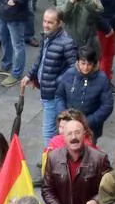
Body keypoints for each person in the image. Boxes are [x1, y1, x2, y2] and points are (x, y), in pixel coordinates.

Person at [41, 114, 111, 204]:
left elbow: (110, 187)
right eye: (69, 133)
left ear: (84, 134)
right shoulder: (53, 157)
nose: (74, 137)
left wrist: (97, 201)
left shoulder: (100, 159)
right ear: (63, 137)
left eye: (77, 132)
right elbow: (47, 190)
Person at [26, 8, 78, 145]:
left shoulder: (66, 42)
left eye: (50, 22)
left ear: (59, 23)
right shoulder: (47, 36)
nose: (45, 25)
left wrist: (57, 82)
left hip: (53, 93)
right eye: (44, 21)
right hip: (46, 90)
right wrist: (30, 75)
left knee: (49, 130)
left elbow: (74, 68)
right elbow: (40, 58)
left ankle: (49, 159)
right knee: (55, 127)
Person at [55, 48, 114, 139]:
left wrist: (87, 121)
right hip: (68, 124)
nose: (85, 67)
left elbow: (107, 105)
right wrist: (64, 115)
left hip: (90, 128)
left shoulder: (102, 79)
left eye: (89, 64)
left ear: (94, 64)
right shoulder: (69, 74)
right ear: (77, 62)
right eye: (83, 63)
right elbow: (59, 96)